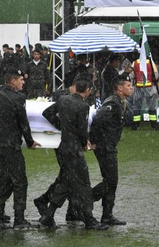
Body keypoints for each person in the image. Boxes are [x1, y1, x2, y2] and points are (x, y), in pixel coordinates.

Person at [38, 80, 109, 230]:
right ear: (88, 90)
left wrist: (63, 127)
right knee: (83, 183)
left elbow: (47, 113)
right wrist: (84, 142)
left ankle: (48, 214)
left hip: (64, 146)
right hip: (74, 149)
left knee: (66, 182)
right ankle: (89, 219)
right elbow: (83, 131)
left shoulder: (63, 99)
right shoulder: (82, 106)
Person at [0, 69, 41, 229]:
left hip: (1, 143)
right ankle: (19, 219)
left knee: (5, 179)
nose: (23, 82)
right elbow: (24, 123)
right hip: (12, 145)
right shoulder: (18, 98)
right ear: (12, 81)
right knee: (20, 182)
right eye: (21, 80)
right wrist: (30, 141)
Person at [90, 77, 133, 225]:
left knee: (110, 182)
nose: (131, 87)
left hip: (110, 146)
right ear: (120, 88)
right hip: (105, 147)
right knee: (111, 181)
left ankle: (107, 215)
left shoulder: (121, 102)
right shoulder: (112, 103)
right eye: (128, 85)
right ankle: (85, 199)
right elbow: (98, 120)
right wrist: (95, 142)